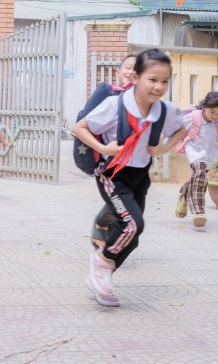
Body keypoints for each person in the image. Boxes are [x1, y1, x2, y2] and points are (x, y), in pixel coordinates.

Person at [71, 48, 185, 306]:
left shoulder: (165, 111)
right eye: (152, 79)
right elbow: (79, 128)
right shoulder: (115, 105)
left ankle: (102, 276)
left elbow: (181, 129)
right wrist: (103, 149)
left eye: (165, 81)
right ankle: (101, 263)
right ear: (134, 77)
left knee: (131, 237)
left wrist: (164, 148)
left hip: (140, 176)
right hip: (113, 175)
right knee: (132, 224)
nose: (158, 87)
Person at [90, 54, 136, 250]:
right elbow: (83, 128)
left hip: (135, 167)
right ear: (118, 73)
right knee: (122, 205)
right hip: (111, 166)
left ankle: (107, 230)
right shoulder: (111, 100)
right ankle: (102, 226)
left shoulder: (147, 104)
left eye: (137, 68)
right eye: (128, 67)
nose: (132, 71)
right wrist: (102, 149)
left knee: (128, 204)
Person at [175, 91, 218, 228]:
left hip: (210, 153)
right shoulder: (194, 117)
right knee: (200, 175)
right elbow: (176, 128)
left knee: (197, 176)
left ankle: (183, 197)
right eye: (212, 112)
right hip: (194, 150)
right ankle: (199, 212)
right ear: (204, 107)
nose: (215, 116)